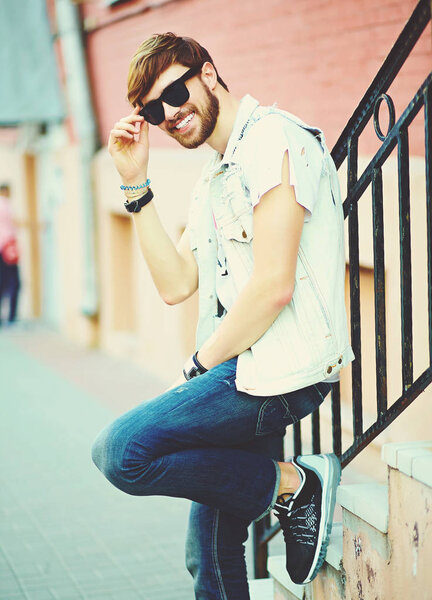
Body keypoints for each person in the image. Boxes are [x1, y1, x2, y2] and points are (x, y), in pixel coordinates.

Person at [91, 33, 355, 599]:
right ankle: (286, 486)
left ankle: (294, 483)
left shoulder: (274, 142)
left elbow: (273, 288)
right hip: (241, 371)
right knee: (207, 552)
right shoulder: (215, 174)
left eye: (176, 92)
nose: (170, 114)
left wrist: (196, 368)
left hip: (277, 375)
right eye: (154, 110)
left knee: (122, 452)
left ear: (208, 73)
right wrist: (135, 184)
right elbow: (175, 284)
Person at [0, 183, 21, 328]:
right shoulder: (5, 204)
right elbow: (15, 222)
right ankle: (12, 316)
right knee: (14, 282)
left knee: (2, 283)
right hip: (7, 247)